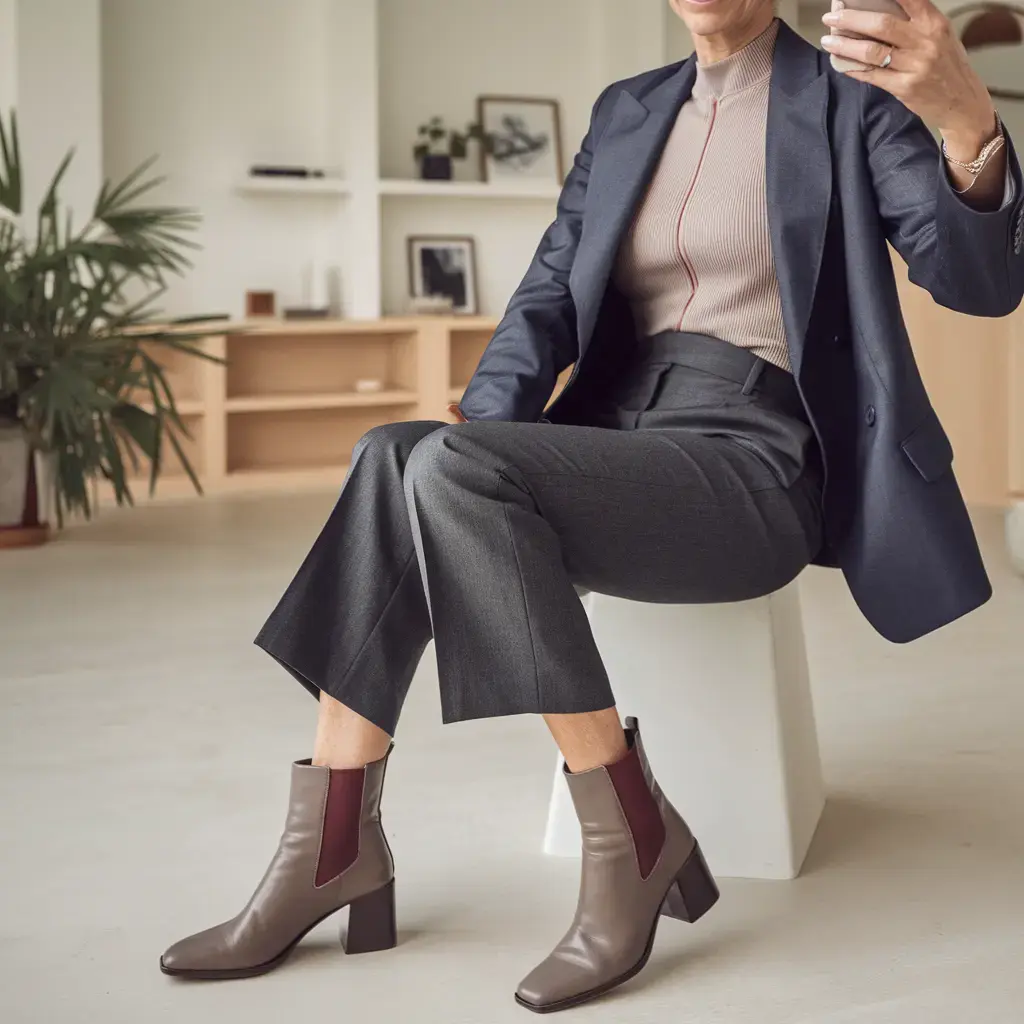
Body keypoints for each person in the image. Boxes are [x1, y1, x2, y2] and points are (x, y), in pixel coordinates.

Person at [160, 0, 1024, 1014]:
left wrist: (964, 118)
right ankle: (331, 841)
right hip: (615, 433)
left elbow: (980, 284)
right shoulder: (628, 109)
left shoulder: (850, 105)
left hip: (751, 455)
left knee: (445, 470)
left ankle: (630, 840)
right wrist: (475, 431)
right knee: (395, 456)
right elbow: (544, 294)